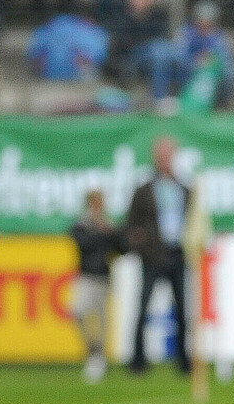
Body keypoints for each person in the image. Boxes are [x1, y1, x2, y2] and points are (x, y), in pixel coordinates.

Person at [125, 136, 191, 375]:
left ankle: (184, 361)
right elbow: (131, 223)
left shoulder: (184, 188)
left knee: (182, 311)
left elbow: (193, 221)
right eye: (161, 155)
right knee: (142, 308)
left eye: (168, 155)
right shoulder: (144, 190)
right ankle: (138, 360)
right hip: (153, 256)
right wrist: (142, 246)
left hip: (177, 253)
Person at [69, 189, 125, 383]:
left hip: (103, 277)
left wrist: (109, 232)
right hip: (85, 276)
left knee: (101, 320)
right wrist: (102, 232)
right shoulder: (83, 224)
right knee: (77, 311)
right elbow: (81, 243)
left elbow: (121, 247)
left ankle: (99, 357)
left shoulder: (108, 224)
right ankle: (92, 350)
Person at [104, 0, 181, 112]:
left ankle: (182, 101)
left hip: (157, 60)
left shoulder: (158, 16)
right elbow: (117, 53)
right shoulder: (120, 17)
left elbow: (165, 42)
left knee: (174, 54)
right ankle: (159, 102)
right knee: (158, 51)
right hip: (131, 63)